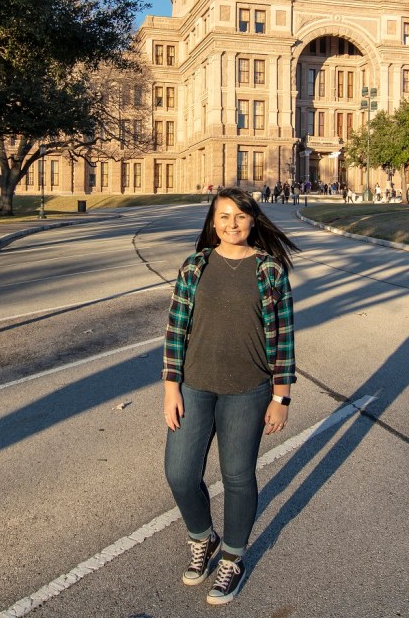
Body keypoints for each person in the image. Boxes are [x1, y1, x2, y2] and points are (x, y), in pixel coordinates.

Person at [162, 187, 299, 605]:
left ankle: (232, 558)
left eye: (240, 216)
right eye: (223, 217)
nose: (232, 224)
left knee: (238, 477)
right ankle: (203, 537)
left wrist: (281, 397)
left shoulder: (269, 270)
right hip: (195, 386)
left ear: (253, 220)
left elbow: (284, 339)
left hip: (249, 390)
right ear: (213, 223)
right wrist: (170, 387)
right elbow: (175, 329)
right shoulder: (195, 266)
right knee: (180, 474)